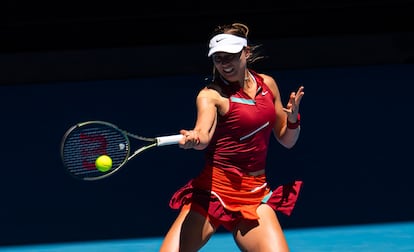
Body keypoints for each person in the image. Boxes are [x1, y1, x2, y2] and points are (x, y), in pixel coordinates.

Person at [160, 23, 305, 252]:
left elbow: (287, 140)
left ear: (246, 53)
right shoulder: (211, 95)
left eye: (231, 56)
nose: (225, 64)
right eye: (218, 58)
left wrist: (294, 119)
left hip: (254, 194)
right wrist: (194, 139)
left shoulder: (268, 85)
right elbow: (203, 135)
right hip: (213, 192)